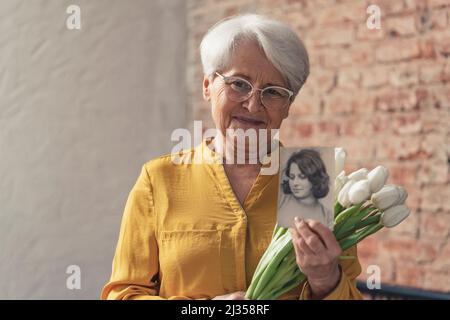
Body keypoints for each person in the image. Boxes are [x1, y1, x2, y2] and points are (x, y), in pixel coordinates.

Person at [101, 14, 363, 300]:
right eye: (239, 84)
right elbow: (123, 294)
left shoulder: (316, 182)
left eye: (274, 92)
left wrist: (326, 279)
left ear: (288, 106)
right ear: (207, 87)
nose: (253, 104)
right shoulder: (159, 180)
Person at [278, 149, 334, 230]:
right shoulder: (282, 200)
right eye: (292, 177)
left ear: (315, 178)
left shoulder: (327, 215)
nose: (295, 183)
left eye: (302, 177)